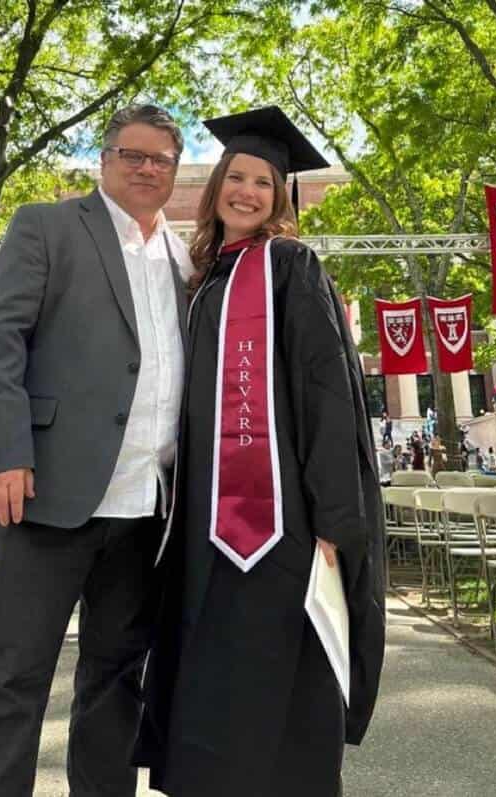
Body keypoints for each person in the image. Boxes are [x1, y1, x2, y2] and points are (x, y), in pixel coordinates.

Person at [135, 107, 385, 797]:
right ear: (217, 185)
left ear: (281, 199)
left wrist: (335, 518)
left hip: (278, 525)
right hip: (204, 529)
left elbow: (328, 392)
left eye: (264, 184)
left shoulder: (290, 265)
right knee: (211, 679)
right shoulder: (207, 278)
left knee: (276, 683)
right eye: (236, 177)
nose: (247, 192)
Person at [0, 104, 192, 797]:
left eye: (161, 160)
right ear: (105, 158)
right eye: (133, 154)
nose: (147, 169)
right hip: (45, 492)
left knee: (116, 680)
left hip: (148, 506)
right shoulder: (48, 226)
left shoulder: (186, 256)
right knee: (12, 675)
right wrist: (1, 451)